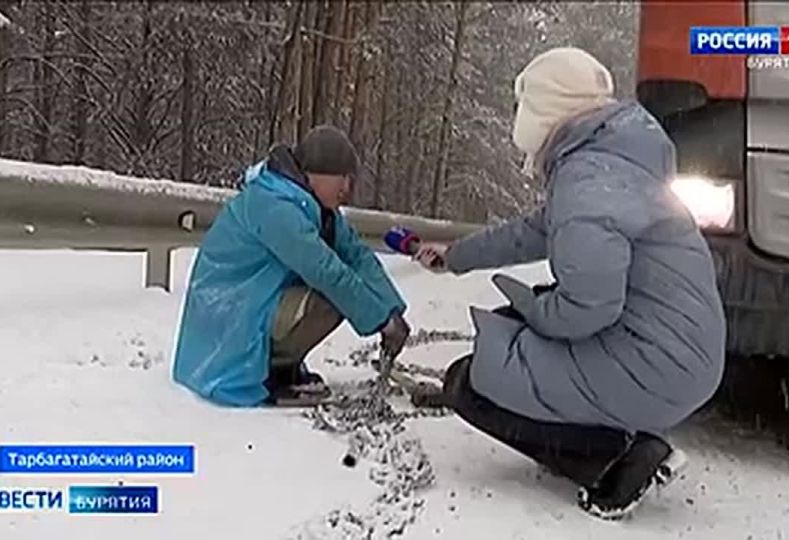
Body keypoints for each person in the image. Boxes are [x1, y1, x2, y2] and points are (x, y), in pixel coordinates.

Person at [413, 48, 726, 520]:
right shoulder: (614, 166)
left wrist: (534, 310)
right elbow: (531, 232)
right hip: (681, 353)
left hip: (656, 363)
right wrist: (457, 256)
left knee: (471, 382)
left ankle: (616, 460)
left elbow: (588, 310)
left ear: (544, 111)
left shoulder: (587, 182)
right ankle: (610, 436)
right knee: (510, 330)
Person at [173, 125, 410, 406]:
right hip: (225, 321)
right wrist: (382, 321)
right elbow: (326, 271)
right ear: (314, 175)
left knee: (344, 289)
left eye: (350, 179)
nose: (347, 188)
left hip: (250, 304)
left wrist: (392, 309)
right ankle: (267, 376)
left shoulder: (318, 210)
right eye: (341, 179)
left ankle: (281, 368)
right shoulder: (275, 205)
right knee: (332, 296)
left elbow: (357, 255)